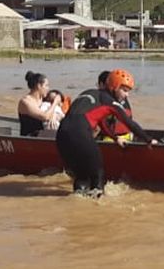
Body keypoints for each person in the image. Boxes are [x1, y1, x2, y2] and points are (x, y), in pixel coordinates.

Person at [55, 68, 158, 196]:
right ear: (114, 87)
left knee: (81, 176)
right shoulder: (111, 102)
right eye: (125, 90)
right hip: (80, 134)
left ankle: (78, 204)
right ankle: (95, 208)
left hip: (61, 136)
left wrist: (115, 138)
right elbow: (129, 123)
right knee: (97, 175)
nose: (127, 95)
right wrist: (148, 139)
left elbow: (100, 122)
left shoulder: (88, 93)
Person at [18, 71, 61, 136]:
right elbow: (45, 117)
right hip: (30, 136)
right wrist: (55, 102)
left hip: (44, 133)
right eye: (46, 85)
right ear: (39, 86)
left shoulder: (44, 99)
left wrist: (54, 115)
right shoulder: (25, 102)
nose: (48, 88)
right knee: (60, 135)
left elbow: (60, 115)